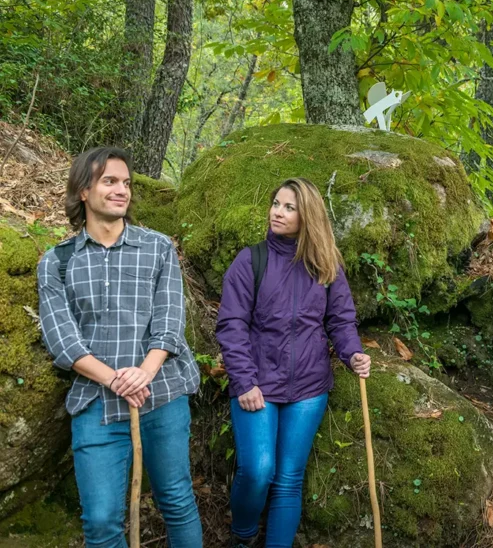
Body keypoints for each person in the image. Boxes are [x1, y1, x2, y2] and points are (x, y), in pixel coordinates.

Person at [37, 147, 203, 548]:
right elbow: (63, 340)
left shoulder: (159, 248)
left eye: (126, 182)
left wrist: (144, 372)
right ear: (83, 190)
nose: (121, 190)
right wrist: (116, 380)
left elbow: (168, 323)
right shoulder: (56, 262)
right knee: (100, 520)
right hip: (96, 403)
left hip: (162, 394)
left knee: (177, 501)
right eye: (109, 181)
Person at [216, 177, 370, 548]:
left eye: (289, 207)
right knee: (258, 470)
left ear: (308, 216)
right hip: (257, 385)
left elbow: (340, 319)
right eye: (276, 204)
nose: (277, 212)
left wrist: (353, 353)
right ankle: (243, 537)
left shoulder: (325, 265)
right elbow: (231, 325)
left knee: (288, 479)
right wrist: (244, 381)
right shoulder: (251, 260)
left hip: (309, 387)